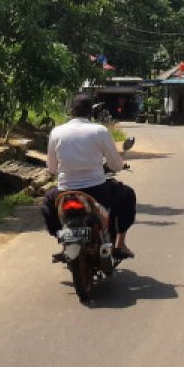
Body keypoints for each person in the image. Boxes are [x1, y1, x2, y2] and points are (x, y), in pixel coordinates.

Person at [43, 94, 137, 258]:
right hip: (97, 190)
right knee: (128, 195)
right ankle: (120, 244)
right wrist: (120, 165)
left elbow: (51, 168)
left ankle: (64, 243)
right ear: (91, 113)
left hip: (65, 191)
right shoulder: (99, 131)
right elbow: (115, 165)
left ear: (70, 111)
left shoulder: (56, 132)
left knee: (48, 205)